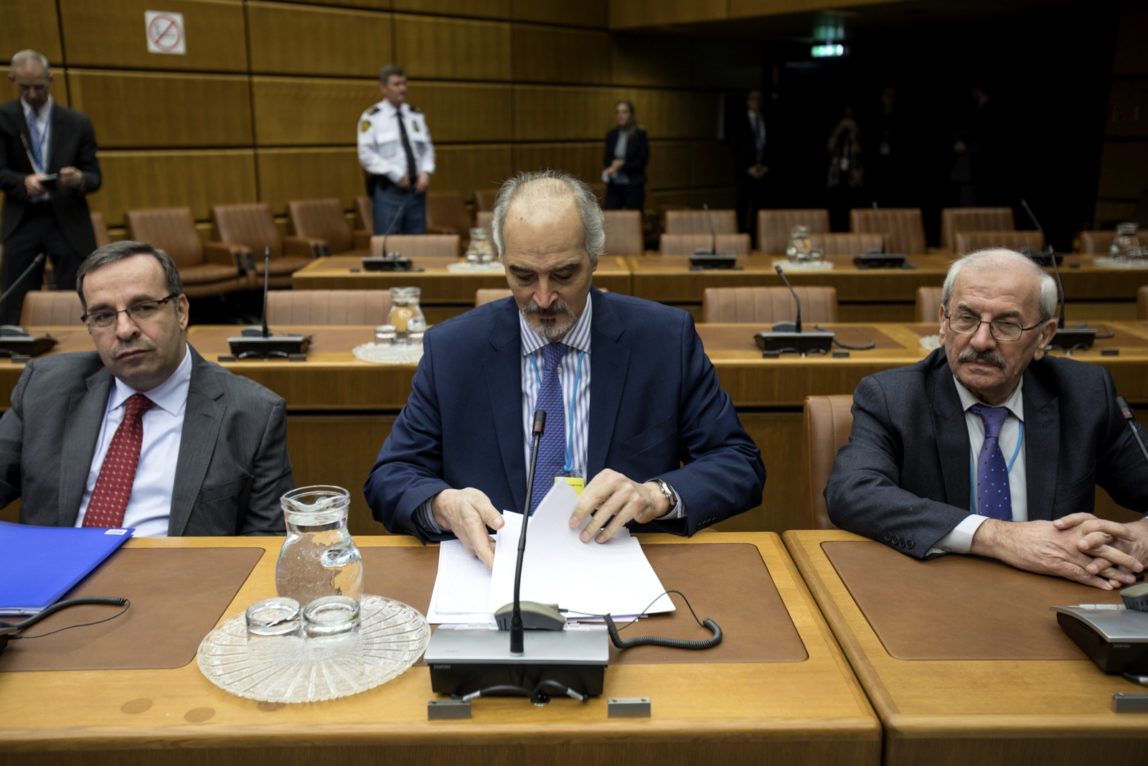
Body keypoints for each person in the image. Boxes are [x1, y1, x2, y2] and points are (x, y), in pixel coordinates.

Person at [364, 170, 765, 567]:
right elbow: (391, 477)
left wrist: (657, 494)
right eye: (522, 276)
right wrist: (441, 503)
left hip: (622, 572)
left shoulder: (663, 341)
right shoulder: (453, 350)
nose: (542, 297)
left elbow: (739, 463)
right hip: (491, 573)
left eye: (563, 274)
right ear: (502, 261)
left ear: (594, 257)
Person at [825, 248, 1148, 590]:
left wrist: (1142, 537)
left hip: (1056, 595)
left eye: (1006, 325)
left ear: (1044, 336)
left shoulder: (1084, 395)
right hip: (931, 594)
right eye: (966, 319)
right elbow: (852, 493)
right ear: (943, 322)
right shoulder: (894, 397)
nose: (980, 341)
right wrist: (1000, 537)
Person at [0, 241, 294, 535]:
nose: (125, 329)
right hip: (55, 575)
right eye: (103, 316)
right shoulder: (46, 387)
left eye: (143, 308)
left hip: (177, 578)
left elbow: (265, 543)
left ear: (180, 311)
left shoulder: (252, 413)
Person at [0, 49, 101, 325]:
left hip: (67, 218)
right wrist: (22, 182)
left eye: (39, 87)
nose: (32, 94)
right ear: (11, 80)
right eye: (24, 87)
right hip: (23, 219)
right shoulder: (3, 118)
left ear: (51, 79)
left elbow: (95, 177)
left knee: (79, 296)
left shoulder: (77, 122)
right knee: (15, 301)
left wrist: (79, 179)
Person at [357, 65, 435, 236]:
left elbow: (427, 148)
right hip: (389, 192)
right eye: (396, 84)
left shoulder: (415, 115)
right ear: (383, 88)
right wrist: (395, 173)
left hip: (416, 191)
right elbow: (366, 154)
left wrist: (426, 172)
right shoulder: (372, 117)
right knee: (388, 245)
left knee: (418, 246)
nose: (403, 88)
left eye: (404, 83)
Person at [730, 88, 770, 243]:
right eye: (754, 99)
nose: (757, 102)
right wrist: (748, 168)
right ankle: (739, 240)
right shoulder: (740, 122)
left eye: (759, 99)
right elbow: (735, 149)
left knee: (759, 209)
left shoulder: (768, 120)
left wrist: (765, 167)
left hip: (763, 171)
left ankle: (757, 241)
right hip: (745, 172)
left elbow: (772, 148)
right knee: (741, 206)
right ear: (748, 102)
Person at [602, 100, 648, 212]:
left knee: (634, 220)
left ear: (631, 114)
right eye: (618, 112)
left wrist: (622, 164)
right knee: (609, 216)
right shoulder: (612, 134)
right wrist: (613, 164)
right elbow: (606, 158)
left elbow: (642, 160)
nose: (620, 115)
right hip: (615, 183)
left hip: (633, 183)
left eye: (624, 112)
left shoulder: (639, 134)